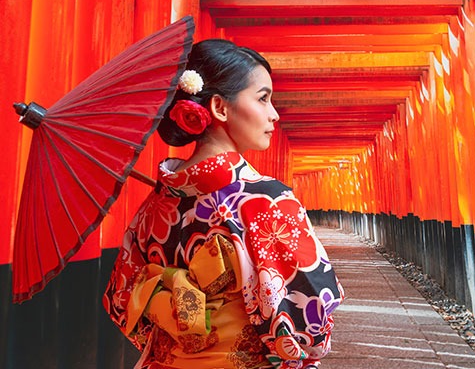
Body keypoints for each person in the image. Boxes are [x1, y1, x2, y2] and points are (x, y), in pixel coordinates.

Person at [103, 39, 344, 369]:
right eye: (263, 99)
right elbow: (311, 320)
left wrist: (185, 332)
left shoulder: (153, 206)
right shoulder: (265, 200)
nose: (273, 114)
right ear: (219, 107)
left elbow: (122, 301)